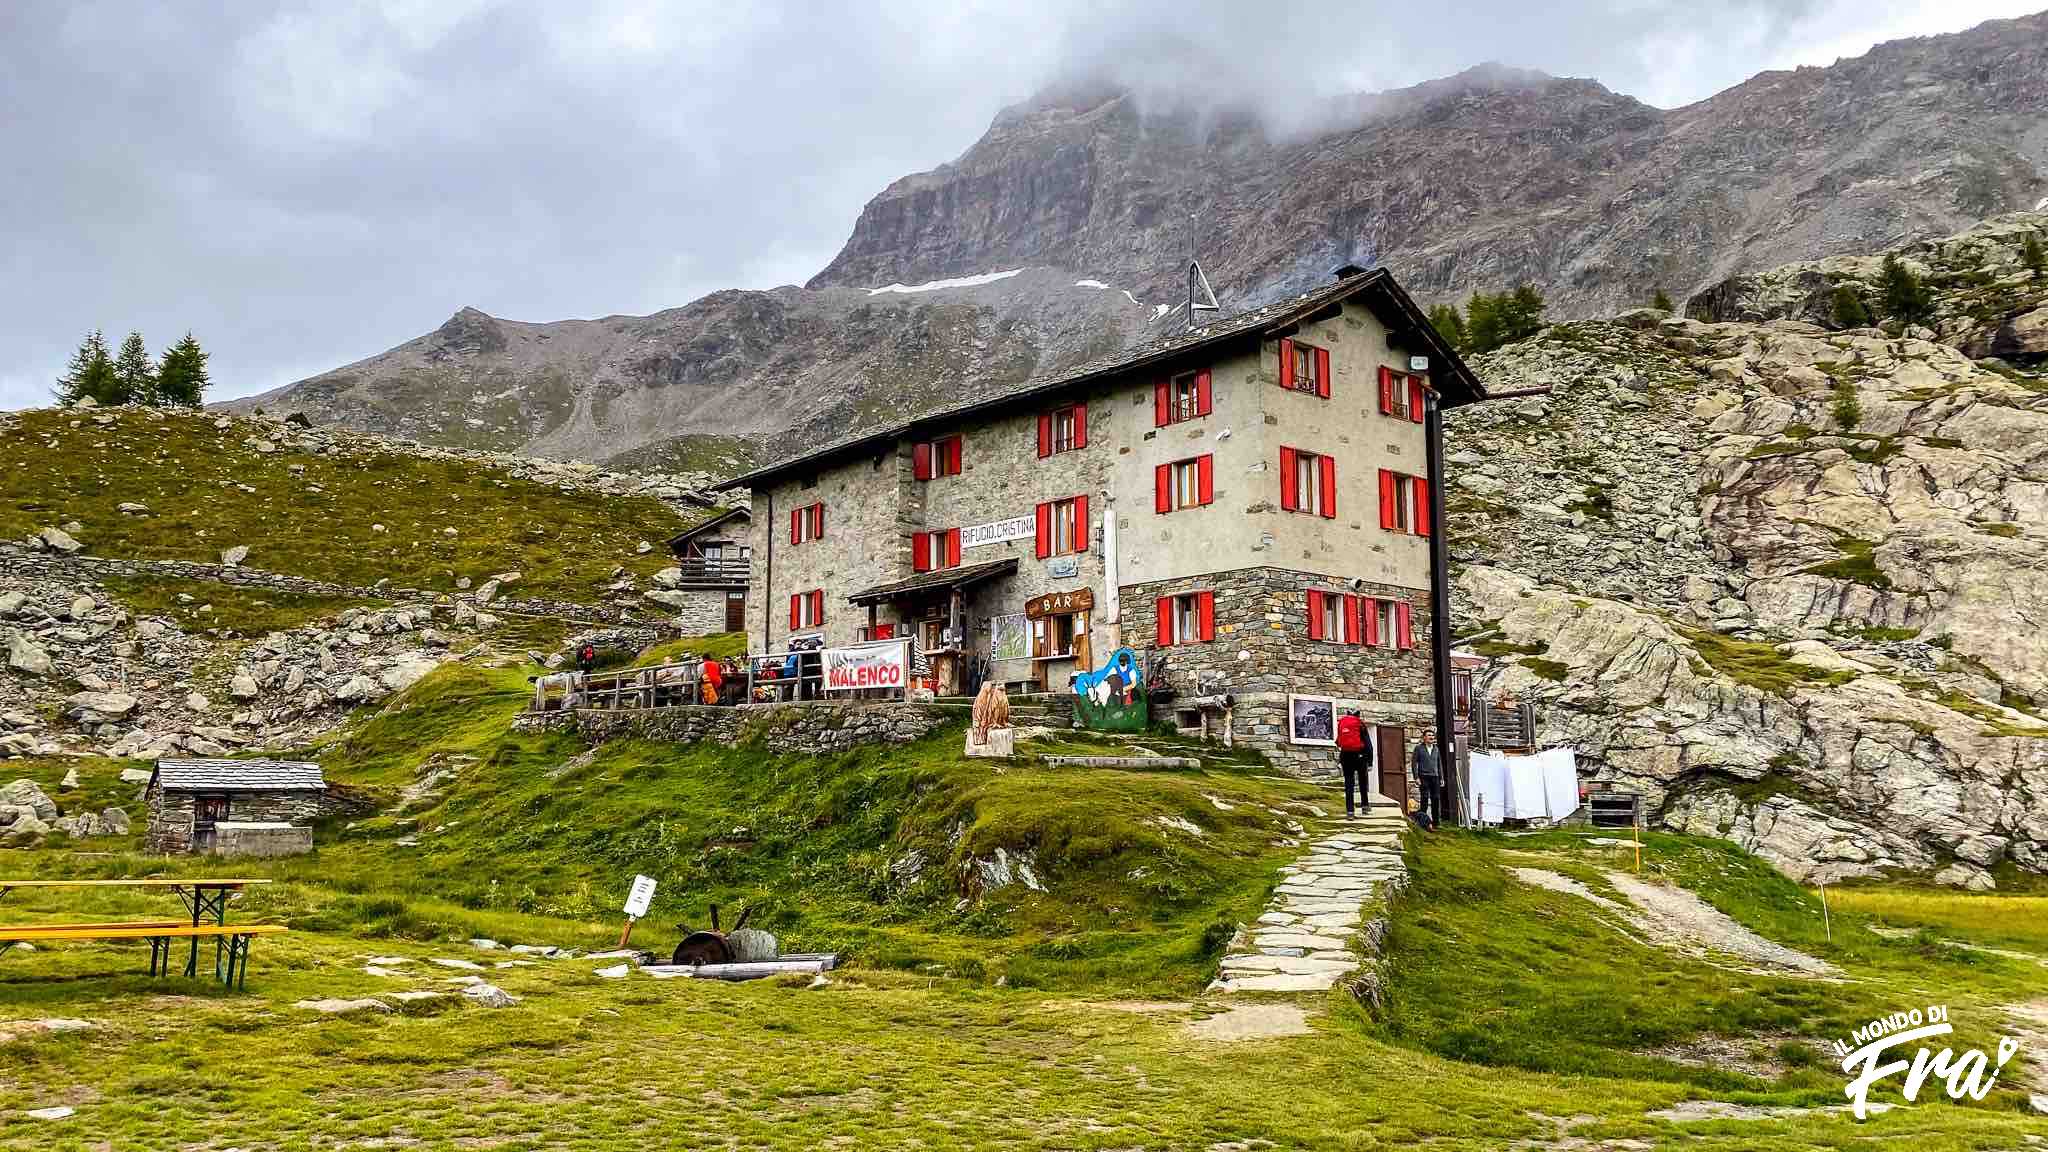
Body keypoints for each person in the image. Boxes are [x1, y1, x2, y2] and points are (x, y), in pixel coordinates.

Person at [1335, 710, 1373, 818]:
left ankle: (1350, 811)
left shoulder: (1342, 722)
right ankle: (1365, 806)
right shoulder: (1360, 724)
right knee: (1362, 781)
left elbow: (1338, 741)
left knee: (1349, 784)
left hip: (1346, 756)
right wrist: (1370, 762)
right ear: (1358, 715)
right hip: (1359, 756)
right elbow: (1368, 744)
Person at [1413, 729, 1443, 830]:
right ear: (1424, 737)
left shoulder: (1436, 749)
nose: (1431, 737)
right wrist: (1416, 777)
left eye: (1432, 736)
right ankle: (1423, 822)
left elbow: (1439, 764)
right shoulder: (1419, 748)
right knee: (1424, 799)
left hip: (1435, 777)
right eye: (1429, 735)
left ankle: (1436, 823)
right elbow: (1414, 764)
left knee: (1435, 799)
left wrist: (1441, 778)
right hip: (1423, 776)